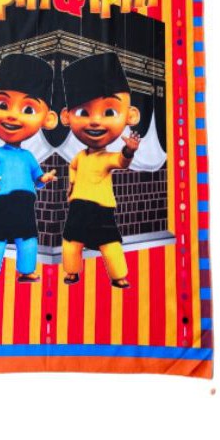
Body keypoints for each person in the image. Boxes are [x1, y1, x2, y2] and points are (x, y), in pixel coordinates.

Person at [60, 52, 141, 289]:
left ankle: (118, 276)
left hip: (101, 208)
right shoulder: (79, 156)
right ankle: (72, 272)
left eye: (109, 112)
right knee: (71, 241)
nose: (95, 121)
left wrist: (129, 150)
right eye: (83, 112)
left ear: (130, 116)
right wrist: (71, 187)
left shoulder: (107, 158)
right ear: (66, 117)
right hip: (78, 206)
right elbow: (73, 167)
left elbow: (121, 161)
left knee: (109, 242)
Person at [0, 53, 58, 287]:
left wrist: (44, 178)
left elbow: (37, 178)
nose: (12, 115)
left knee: (28, 238)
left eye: (28, 110)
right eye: (3, 105)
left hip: (25, 201)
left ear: (48, 119)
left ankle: (27, 271)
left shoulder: (28, 156)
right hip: (2, 200)